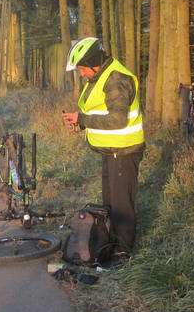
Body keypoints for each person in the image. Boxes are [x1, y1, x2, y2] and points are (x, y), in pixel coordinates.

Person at [61, 37, 144, 261]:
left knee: (121, 205)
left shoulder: (116, 79)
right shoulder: (100, 77)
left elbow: (118, 120)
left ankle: (124, 252)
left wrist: (84, 119)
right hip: (111, 149)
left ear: (93, 63)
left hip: (124, 150)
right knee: (110, 202)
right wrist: (80, 122)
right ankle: (110, 243)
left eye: (81, 69)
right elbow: (98, 112)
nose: (81, 74)